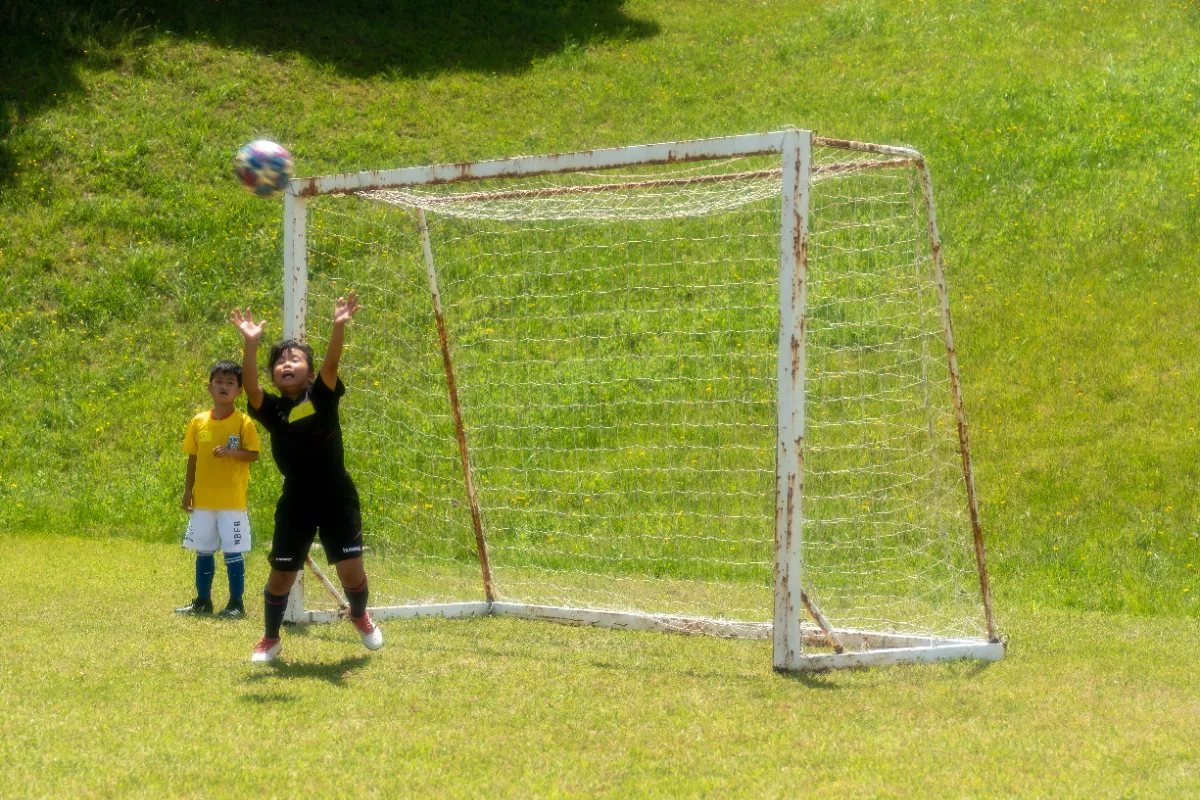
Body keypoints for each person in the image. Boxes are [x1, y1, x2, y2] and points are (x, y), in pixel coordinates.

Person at [231, 293, 383, 663]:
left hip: (336, 496)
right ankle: (270, 638)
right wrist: (251, 345)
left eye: (294, 359)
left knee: (351, 572)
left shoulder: (323, 394)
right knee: (282, 574)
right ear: (273, 375)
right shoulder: (273, 410)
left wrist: (338, 325)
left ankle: (360, 615)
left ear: (309, 373)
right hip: (297, 500)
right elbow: (249, 387)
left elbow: (332, 363)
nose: (286, 364)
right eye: (279, 362)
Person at [175, 361, 261, 618]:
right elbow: (193, 458)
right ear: (210, 387)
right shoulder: (198, 421)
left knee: (233, 552)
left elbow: (253, 454)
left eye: (230, 383)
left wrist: (232, 453)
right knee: (203, 550)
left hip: (232, 502)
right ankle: (203, 601)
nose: (224, 387)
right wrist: (188, 491)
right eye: (219, 382)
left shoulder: (243, 422)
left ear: (239, 391)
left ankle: (236, 604)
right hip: (203, 501)